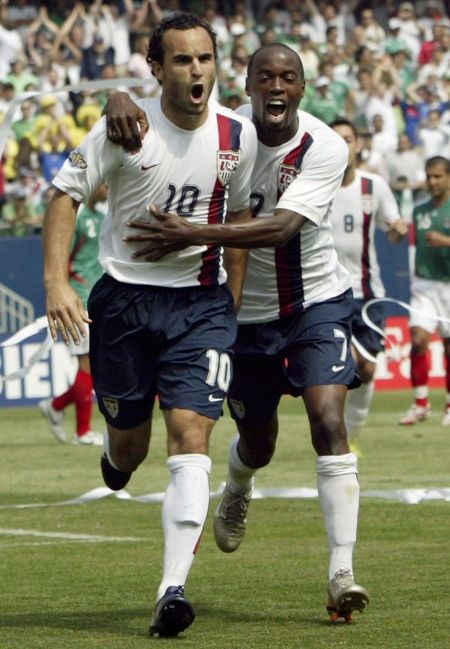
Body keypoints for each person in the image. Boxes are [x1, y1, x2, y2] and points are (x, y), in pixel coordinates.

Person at [105, 42, 370, 623]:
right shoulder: (223, 132)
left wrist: (194, 234)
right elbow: (158, 111)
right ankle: (240, 482)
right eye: (265, 78)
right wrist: (117, 96)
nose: (277, 88)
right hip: (242, 319)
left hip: (315, 304)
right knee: (259, 443)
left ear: (303, 88)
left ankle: (342, 572)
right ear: (246, 86)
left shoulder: (324, 146)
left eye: (289, 78)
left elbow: (279, 228)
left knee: (329, 422)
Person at [42, 12, 257, 638]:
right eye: (183, 60)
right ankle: (114, 450)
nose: (197, 71)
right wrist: (56, 283)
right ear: (156, 68)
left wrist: (231, 307)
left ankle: (172, 590)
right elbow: (64, 194)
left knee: (192, 436)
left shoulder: (236, 137)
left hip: (200, 306)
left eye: (205, 59)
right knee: (130, 446)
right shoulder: (125, 126)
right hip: (125, 305)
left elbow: (240, 216)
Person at [328, 118, 408, 448]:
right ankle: (334, 438)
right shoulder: (316, 184)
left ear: (358, 144)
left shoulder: (373, 185)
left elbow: (391, 229)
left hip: (368, 291)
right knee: (338, 369)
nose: (343, 145)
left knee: (369, 370)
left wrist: (396, 230)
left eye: (348, 139)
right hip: (327, 293)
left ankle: (352, 436)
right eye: (336, 140)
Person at [39, 184, 107, 447]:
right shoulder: (75, 220)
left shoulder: (101, 218)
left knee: (94, 366)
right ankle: (83, 432)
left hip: (98, 297)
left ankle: (56, 406)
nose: (108, 188)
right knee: (86, 365)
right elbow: (60, 258)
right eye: (104, 183)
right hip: (77, 298)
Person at [399, 156, 450, 426]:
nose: (432, 181)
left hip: (449, 286)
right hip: (425, 286)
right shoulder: (418, 211)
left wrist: (446, 242)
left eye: (438, 176)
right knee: (418, 340)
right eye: (429, 176)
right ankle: (420, 403)